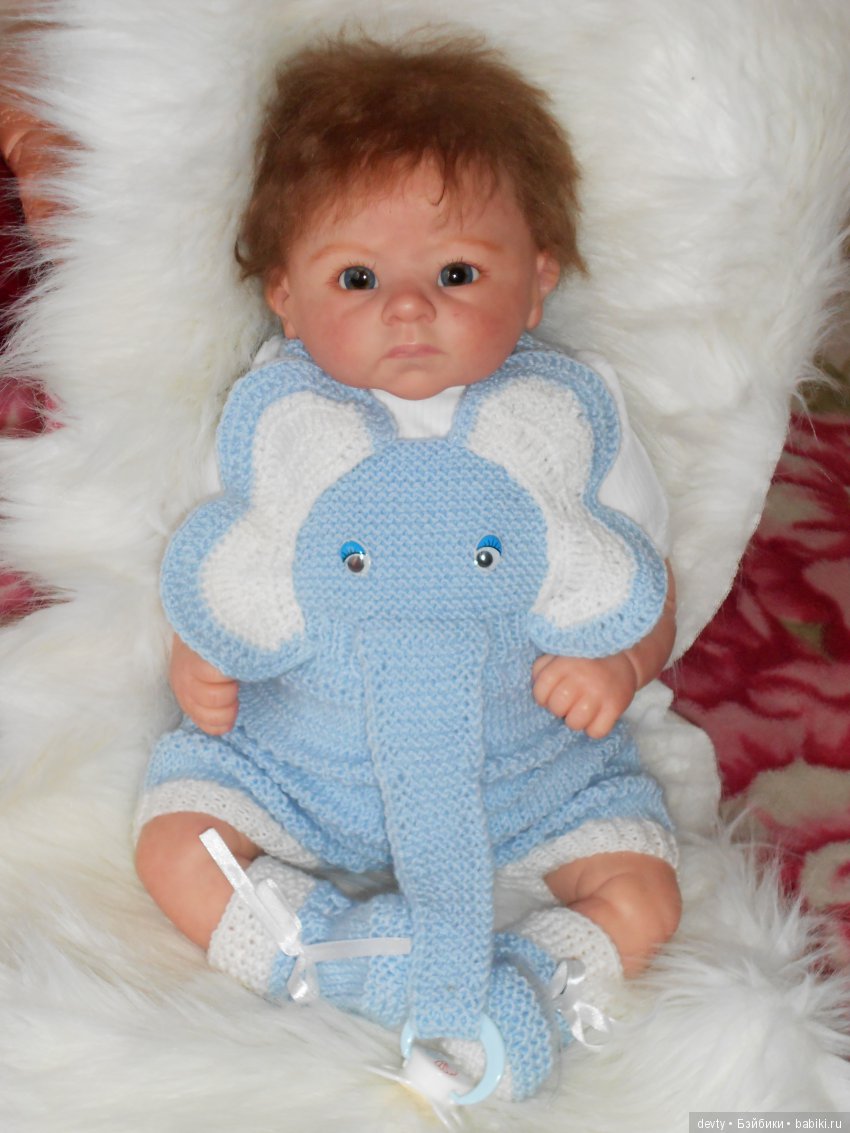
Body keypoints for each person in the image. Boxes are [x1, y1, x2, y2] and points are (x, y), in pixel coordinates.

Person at [135, 35, 681, 1104]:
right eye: (357, 277)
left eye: (457, 273)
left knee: (646, 892)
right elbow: (229, 568)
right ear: (285, 295)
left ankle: (529, 981)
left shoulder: (565, 420)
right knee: (175, 847)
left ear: (537, 282)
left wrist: (620, 664)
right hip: (303, 763)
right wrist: (201, 656)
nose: (408, 307)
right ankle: (346, 958)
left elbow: (640, 581)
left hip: (524, 772)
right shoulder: (278, 418)